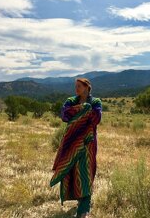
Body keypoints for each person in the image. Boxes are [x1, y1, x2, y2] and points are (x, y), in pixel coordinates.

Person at [51, 77, 102, 218]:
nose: (76, 88)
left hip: (88, 143)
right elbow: (64, 115)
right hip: (71, 143)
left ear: (87, 87)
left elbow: (96, 118)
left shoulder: (95, 102)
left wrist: (82, 111)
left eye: (79, 86)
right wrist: (85, 110)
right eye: (76, 86)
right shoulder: (71, 101)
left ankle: (84, 209)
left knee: (86, 172)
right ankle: (79, 199)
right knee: (72, 170)